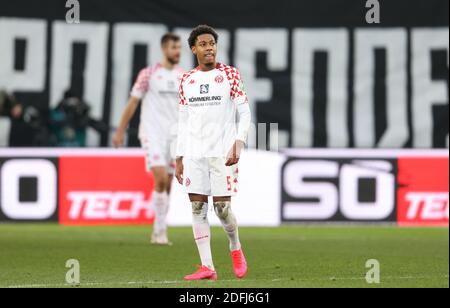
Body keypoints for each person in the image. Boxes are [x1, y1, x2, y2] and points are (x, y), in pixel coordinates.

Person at [175, 25, 252, 281]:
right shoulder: (187, 79)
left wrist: (239, 142)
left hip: (222, 152)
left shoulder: (229, 74)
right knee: (197, 207)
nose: (209, 47)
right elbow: (183, 120)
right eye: (204, 44)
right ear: (194, 49)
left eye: (212, 43)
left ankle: (235, 246)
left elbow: (245, 112)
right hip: (194, 154)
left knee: (221, 208)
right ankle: (207, 266)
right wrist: (178, 157)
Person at [113, 33, 183, 245]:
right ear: (164, 49)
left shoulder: (183, 77)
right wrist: (120, 130)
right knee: (160, 177)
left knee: (169, 184)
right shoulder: (148, 74)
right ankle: (160, 232)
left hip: (174, 136)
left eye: (179, 47)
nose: (177, 51)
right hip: (152, 133)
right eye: (173, 47)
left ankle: (159, 229)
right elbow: (133, 103)